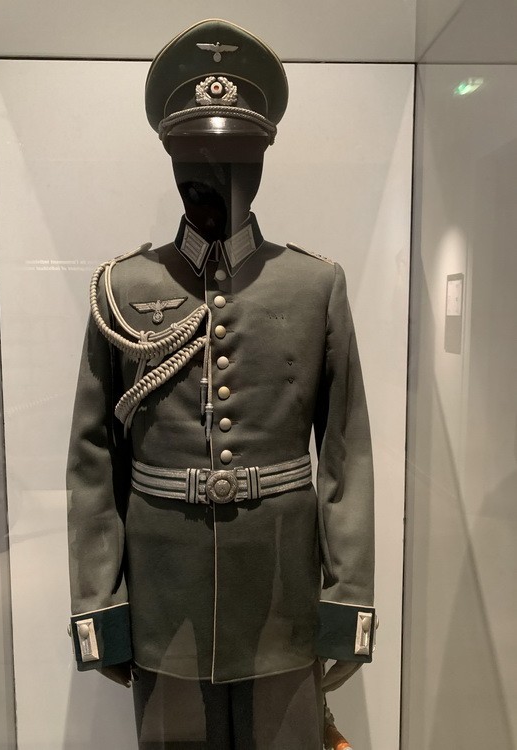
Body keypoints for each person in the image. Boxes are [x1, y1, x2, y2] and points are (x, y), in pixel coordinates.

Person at [67, 19, 376, 748]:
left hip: (280, 591)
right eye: (194, 155)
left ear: (262, 161)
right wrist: (100, 605)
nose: (214, 172)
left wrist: (347, 600)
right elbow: (92, 460)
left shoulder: (314, 286)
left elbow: (346, 455)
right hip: (163, 592)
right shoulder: (123, 289)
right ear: (171, 159)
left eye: (238, 155)